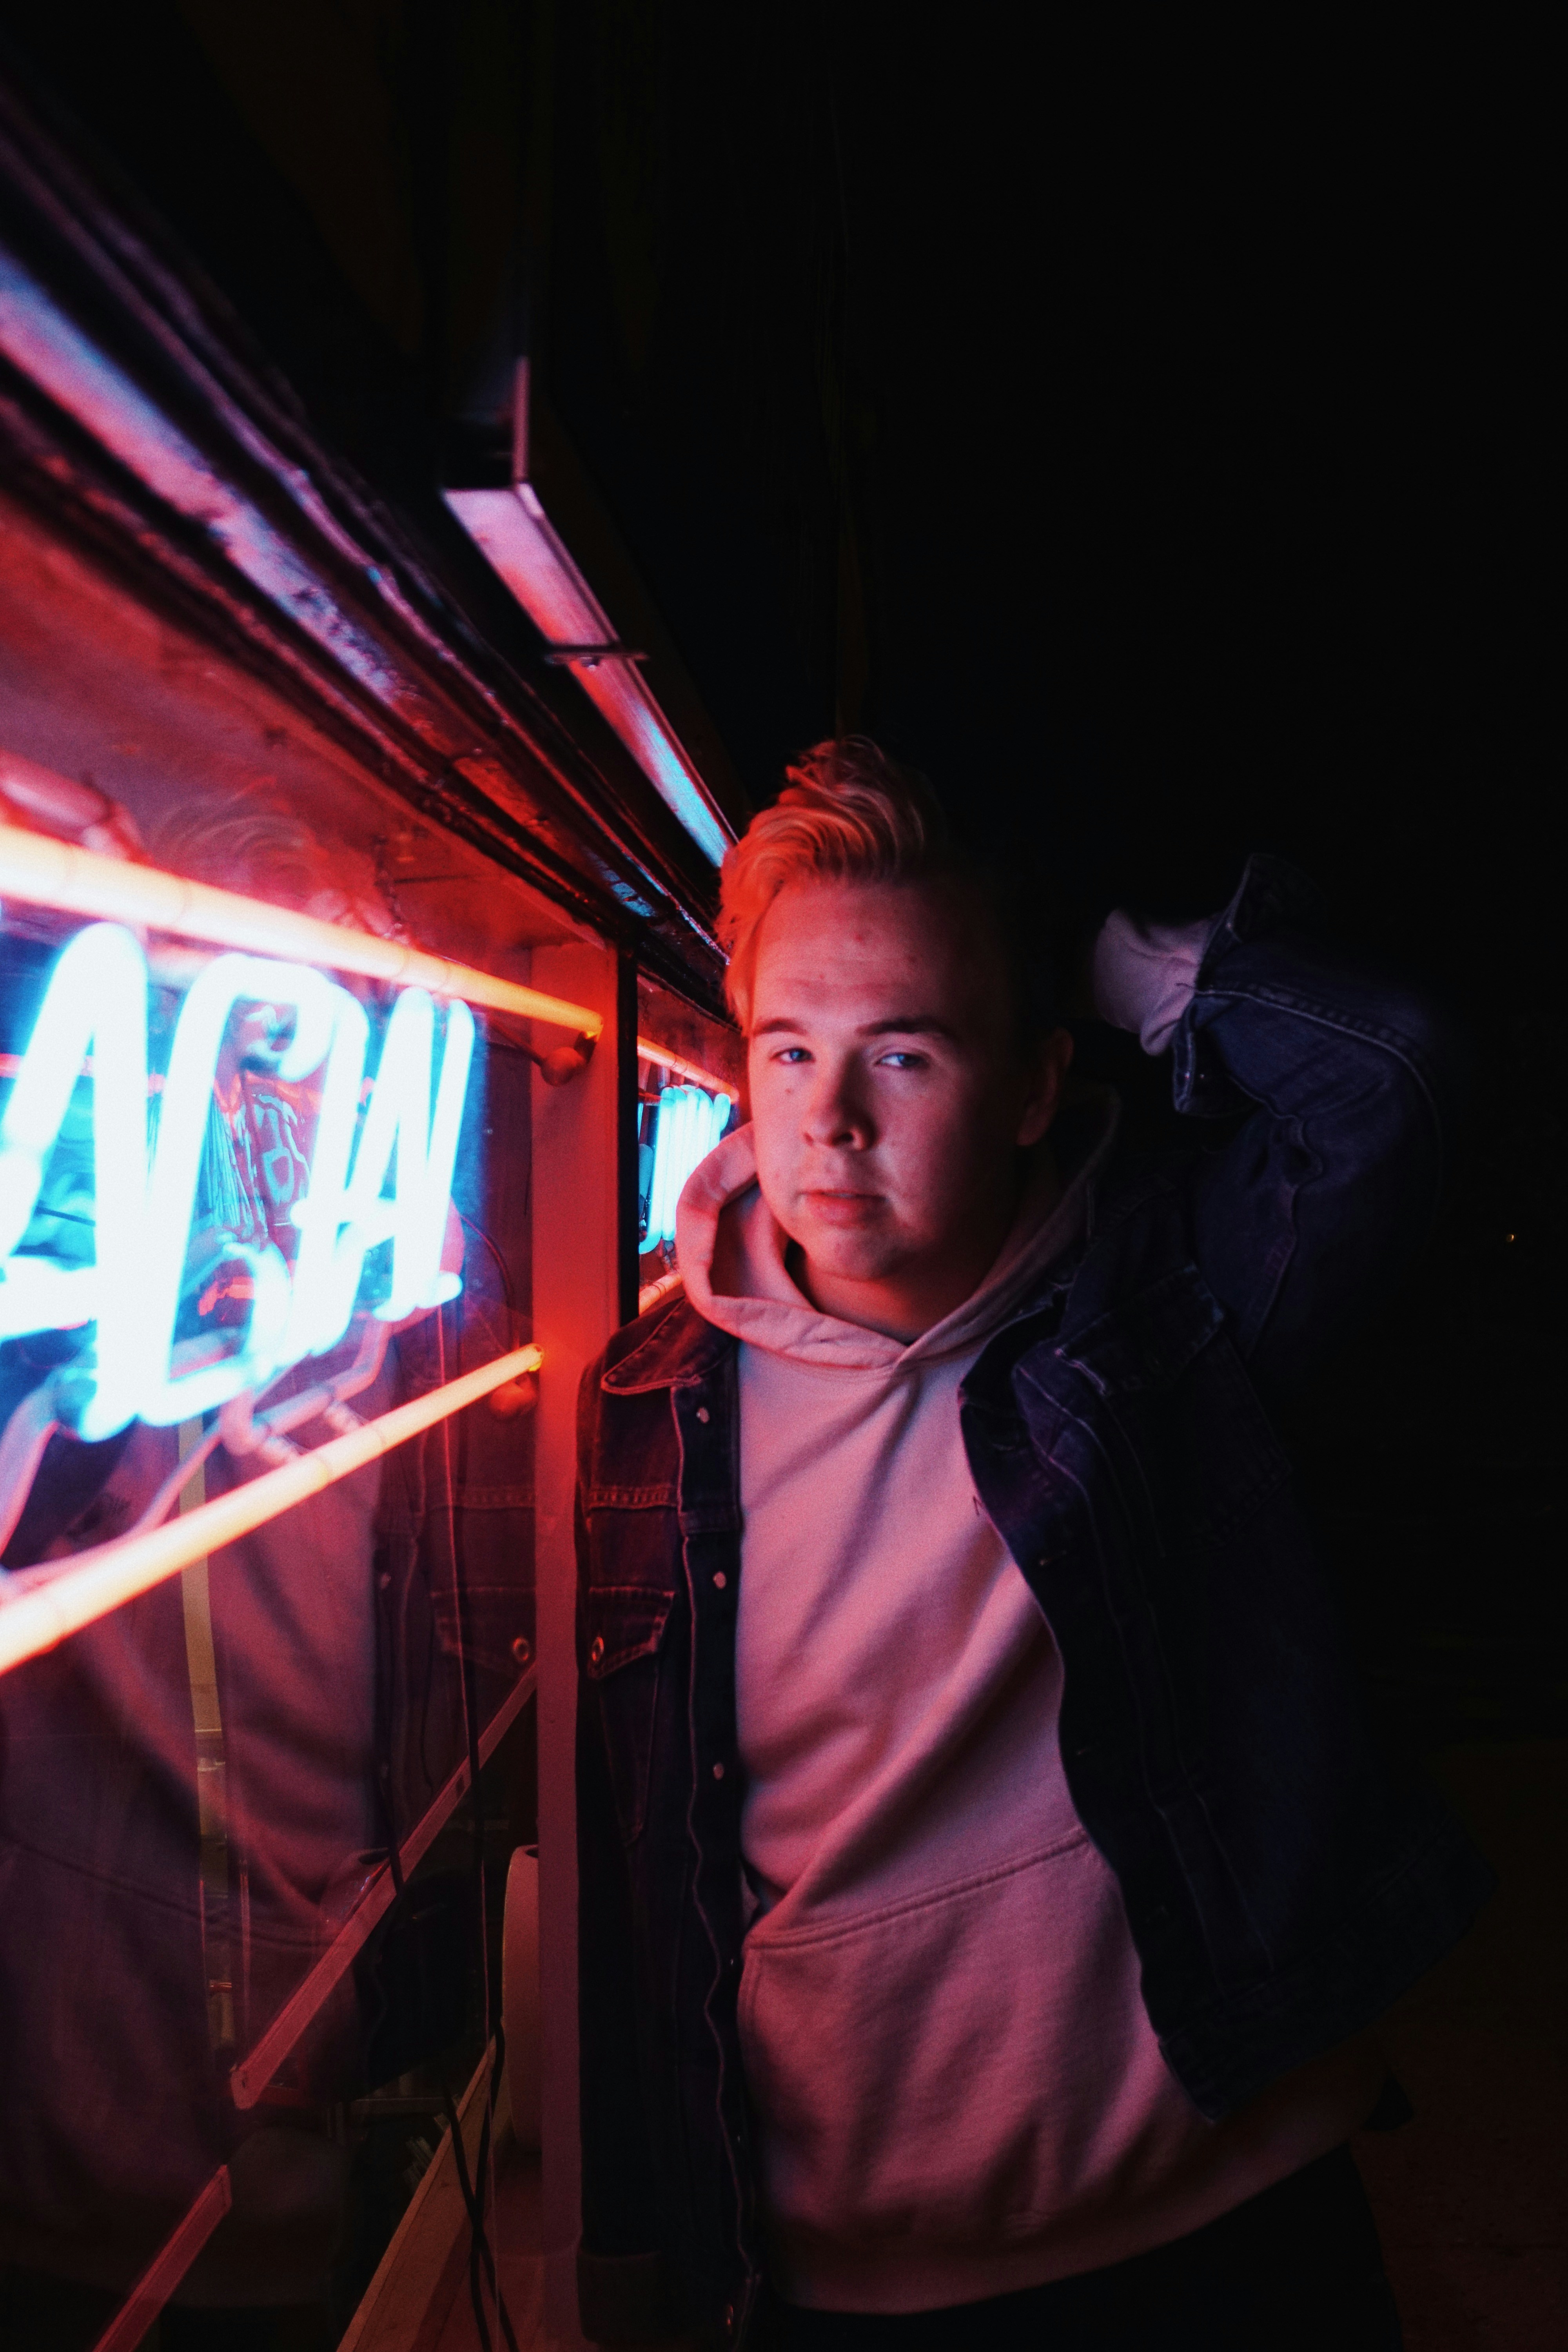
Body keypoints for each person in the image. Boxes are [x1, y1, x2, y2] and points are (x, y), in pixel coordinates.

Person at [573, 739, 1490, 2351]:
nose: (832, 1121)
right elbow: (635, 1871)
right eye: (787, 1053)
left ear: (1035, 1087)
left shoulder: (1162, 1316)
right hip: (855, 2273)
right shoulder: (651, 1412)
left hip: (1226, 2208)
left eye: (905, 1055)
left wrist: (1120, 964)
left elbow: (1392, 1083)